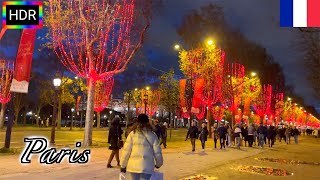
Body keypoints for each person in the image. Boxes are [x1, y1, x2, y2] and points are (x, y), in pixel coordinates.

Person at [120, 114, 163, 180]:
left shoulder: (132, 134)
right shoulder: (152, 135)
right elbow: (157, 152)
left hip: (134, 166)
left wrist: (123, 165)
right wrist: (158, 164)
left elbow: (126, 151)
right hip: (147, 166)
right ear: (148, 122)